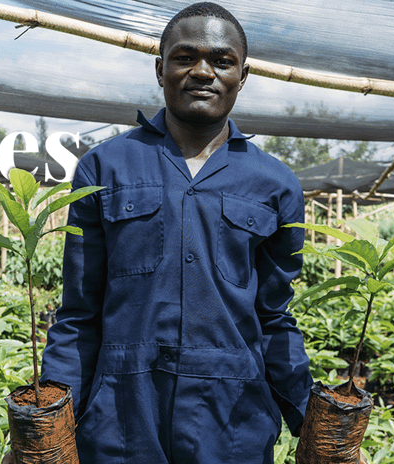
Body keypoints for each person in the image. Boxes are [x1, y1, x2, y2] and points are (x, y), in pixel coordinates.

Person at [33, 3, 313, 463]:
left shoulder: (275, 183)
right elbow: (79, 312)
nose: (203, 72)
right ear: (161, 68)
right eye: (185, 58)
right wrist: (49, 421)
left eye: (222, 61)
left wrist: (312, 421)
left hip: (232, 423)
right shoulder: (105, 166)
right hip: (122, 419)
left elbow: (274, 317)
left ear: (242, 76)